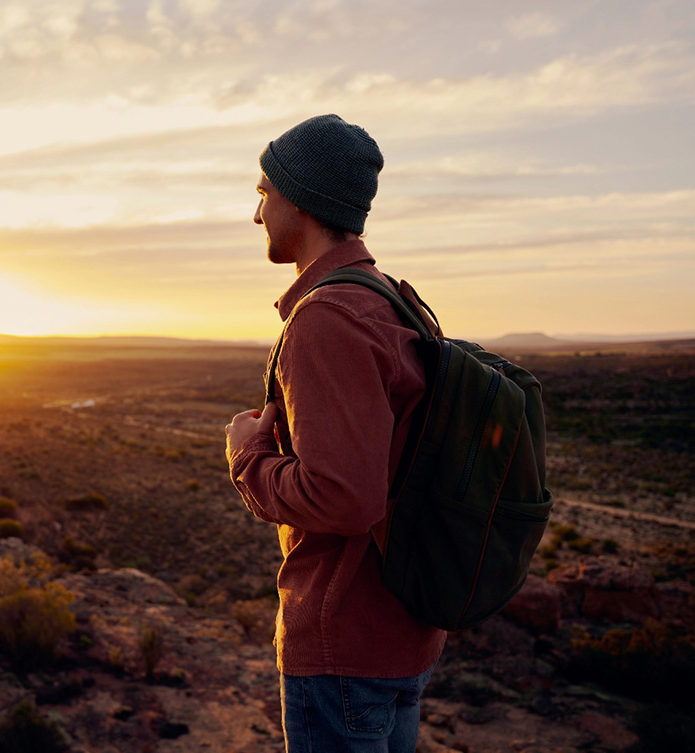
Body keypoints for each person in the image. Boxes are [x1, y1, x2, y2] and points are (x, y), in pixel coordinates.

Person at [224, 113, 446, 753]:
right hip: (399, 633)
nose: (257, 213)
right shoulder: (391, 300)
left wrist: (248, 457)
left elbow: (345, 498)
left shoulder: (328, 317)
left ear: (301, 198)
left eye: (264, 192)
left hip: (343, 641)